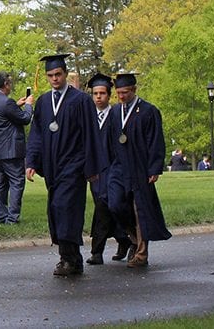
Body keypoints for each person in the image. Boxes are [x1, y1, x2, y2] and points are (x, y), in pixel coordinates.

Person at [24, 53, 100, 277]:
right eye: (50, 75)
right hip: (52, 166)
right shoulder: (44, 102)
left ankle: (69, 258)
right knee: (57, 210)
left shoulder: (81, 100)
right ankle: (70, 258)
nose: (55, 79)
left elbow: (91, 135)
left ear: (66, 74)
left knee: (66, 208)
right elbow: (36, 134)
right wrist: (32, 161)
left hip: (74, 164)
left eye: (58, 74)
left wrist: (91, 168)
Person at [106, 73, 172, 268]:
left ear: (134, 90)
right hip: (119, 166)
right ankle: (133, 238)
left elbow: (155, 141)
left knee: (140, 210)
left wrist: (154, 168)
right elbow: (110, 140)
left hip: (140, 167)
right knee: (114, 204)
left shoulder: (148, 111)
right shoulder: (115, 112)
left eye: (125, 92)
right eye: (118, 93)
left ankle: (142, 254)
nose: (121, 96)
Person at [84, 73, 131, 265]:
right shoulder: (87, 118)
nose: (98, 97)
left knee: (105, 206)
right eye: (95, 93)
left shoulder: (117, 116)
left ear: (109, 95)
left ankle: (97, 251)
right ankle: (124, 239)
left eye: (102, 93)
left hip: (113, 169)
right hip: (95, 171)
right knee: (104, 207)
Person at [0, 71, 32, 224]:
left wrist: (16, 105)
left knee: (0, 184)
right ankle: (12, 217)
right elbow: (25, 119)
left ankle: (1, 216)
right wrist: (29, 106)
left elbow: (3, 116)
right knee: (17, 182)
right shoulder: (6, 102)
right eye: (10, 83)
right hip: (12, 149)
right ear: (5, 84)